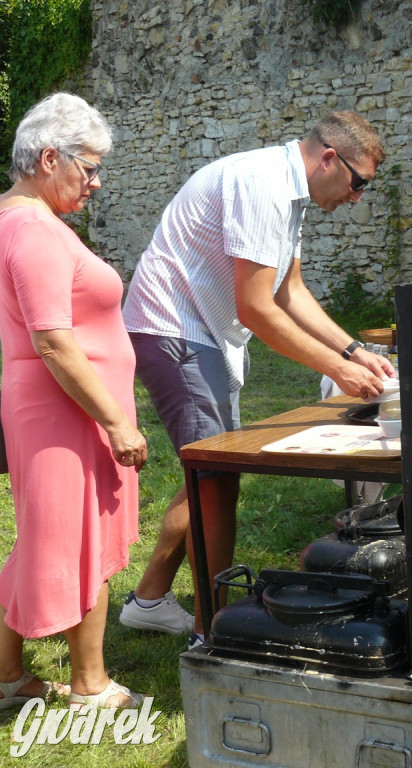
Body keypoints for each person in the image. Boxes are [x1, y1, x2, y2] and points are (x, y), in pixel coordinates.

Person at [118, 110, 395, 647]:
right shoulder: (262, 185)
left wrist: (354, 349)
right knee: (216, 475)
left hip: (201, 330)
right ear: (329, 159)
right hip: (174, 329)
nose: (358, 197)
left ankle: (149, 600)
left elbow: (289, 291)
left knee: (211, 471)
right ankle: (213, 630)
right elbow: (256, 309)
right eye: (358, 183)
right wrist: (336, 369)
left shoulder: (290, 192)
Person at [0, 92, 148, 709]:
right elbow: (55, 342)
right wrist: (116, 421)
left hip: (62, 406)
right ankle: (90, 685)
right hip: (67, 410)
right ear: (49, 157)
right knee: (75, 541)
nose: (96, 182)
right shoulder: (32, 228)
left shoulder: (23, 219)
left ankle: (8, 677)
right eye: (88, 167)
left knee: (46, 536)